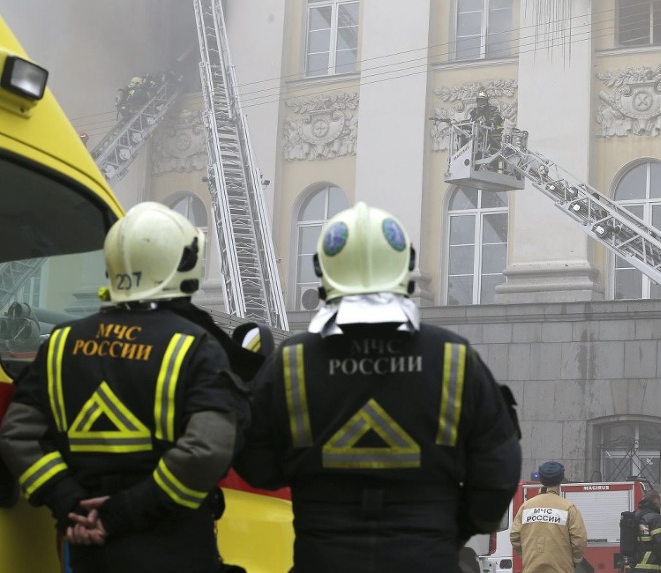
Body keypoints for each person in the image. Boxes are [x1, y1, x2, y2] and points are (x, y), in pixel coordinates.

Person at [234, 201, 521, 573]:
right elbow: (497, 474)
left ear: (321, 271)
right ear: (406, 267)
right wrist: (448, 531)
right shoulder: (453, 358)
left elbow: (255, 466)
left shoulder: (290, 362)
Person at [0, 202, 250, 573]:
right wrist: (123, 511)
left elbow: (18, 436)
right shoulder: (194, 345)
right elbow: (207, 449)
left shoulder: (60, 343)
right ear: (181, 264)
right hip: (171, 547)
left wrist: (69, 502)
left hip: (87, 550)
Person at [510, 461, 587, 573]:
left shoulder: (526, 507)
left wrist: (528, 556)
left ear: (541, 480)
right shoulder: (568, 508)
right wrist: (573, 561)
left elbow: (514, 536)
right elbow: (579, 539)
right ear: (560, 479)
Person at [631, 490, 661, 573]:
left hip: (633, 566)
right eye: (660, 502)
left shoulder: (636, 517)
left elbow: (643, 540)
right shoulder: (655, 518)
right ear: (656, 500)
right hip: (651, 567)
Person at [468, 90, 504, 167]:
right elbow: (471, 122)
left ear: (486, 101)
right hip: (478, 138)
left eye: (483, 100)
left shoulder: (493, 109)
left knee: (493, 156)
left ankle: (493, 170)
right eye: (480, 100)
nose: (481, 102)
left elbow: (497, 117)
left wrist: (489, 122)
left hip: (493, 136)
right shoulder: (474, 112)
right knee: (476, 155)